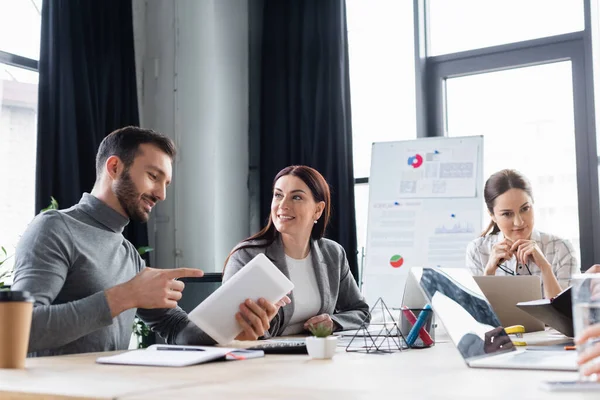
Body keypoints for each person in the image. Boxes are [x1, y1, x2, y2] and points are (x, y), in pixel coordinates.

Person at [12, 126, 277, 356]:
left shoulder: (128, 254)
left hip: (111, 390)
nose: (161, 194)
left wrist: (234, 322)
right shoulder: (54, 228)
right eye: (153, 176)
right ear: (114, 167)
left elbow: (178, 330)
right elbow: (19, 329)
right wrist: (125, 296)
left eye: (166, 184)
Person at [223, 165, 370, 336]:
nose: (283, 205)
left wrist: (334, 322)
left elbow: (361, 311)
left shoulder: (333, 254)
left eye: (297, 197)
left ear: (318, 210)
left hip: (314, 354)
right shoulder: (247, 256)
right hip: (266, 356)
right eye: (278, 195)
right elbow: (230, 326)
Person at [466, 169, 578, 299]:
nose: (519, 222)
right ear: (492, 216)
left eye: (525, 209)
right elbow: (477, 316)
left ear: (533, 204)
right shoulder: (478, 251)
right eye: (507, 214)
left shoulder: (561, 249)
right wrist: (489, 272)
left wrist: (545, 268)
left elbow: (563, 317)